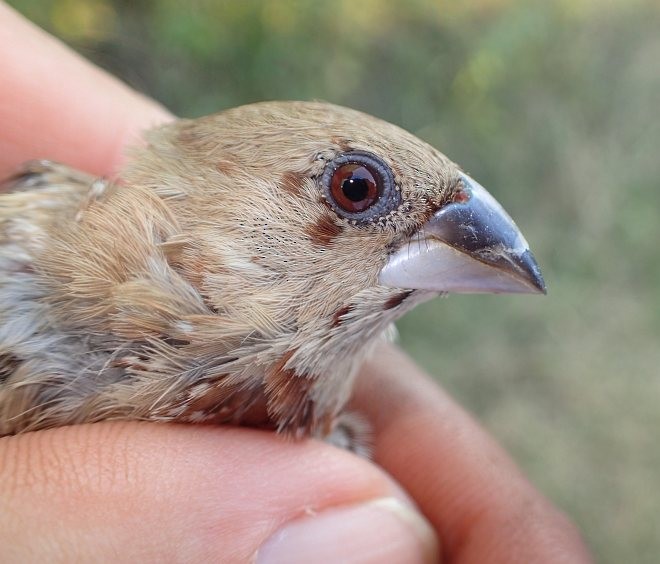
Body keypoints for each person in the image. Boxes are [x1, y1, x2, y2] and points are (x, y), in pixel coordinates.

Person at [0, 3, 591, 562]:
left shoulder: (334, 452)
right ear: (220, 195)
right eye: (355, 191)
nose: (464, 241)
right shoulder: (28, 246)